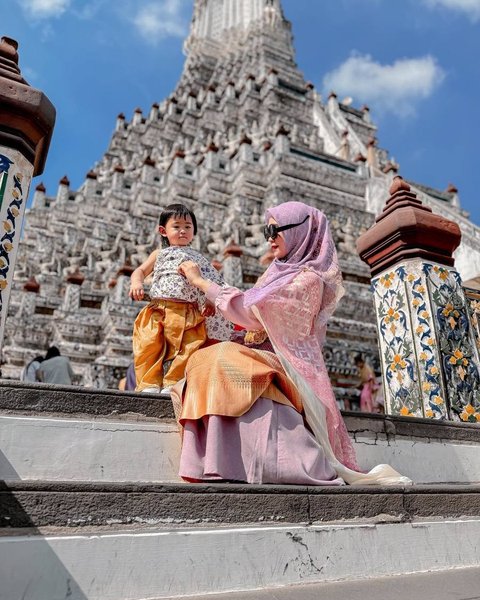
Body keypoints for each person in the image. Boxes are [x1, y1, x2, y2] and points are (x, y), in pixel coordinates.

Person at [176, 201, 410, 486]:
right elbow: (249, 320)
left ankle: (283, 462)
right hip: (260, 353)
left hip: (290, 364)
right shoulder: (275, 273)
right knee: (205, 355)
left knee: (223, 357)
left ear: (301, 232)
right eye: (267, 230)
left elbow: (254, 313)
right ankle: (219, 460)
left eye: (276, 231)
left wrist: (203, 284)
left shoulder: (310, 279)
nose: (270, 238)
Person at [129, 203, 233, 394]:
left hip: (189, 311)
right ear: (163, 231)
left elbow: (210, 281)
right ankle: (149, 383)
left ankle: (174, 382)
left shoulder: (198, 258)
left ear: (194, 231)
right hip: (159, 308)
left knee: (189, 348)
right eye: (176, 226)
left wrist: (209, 301)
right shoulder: (158, 254)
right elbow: (140, 271)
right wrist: (136, 283)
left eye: (188, 227)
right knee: (149, 345)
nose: (183, 231)